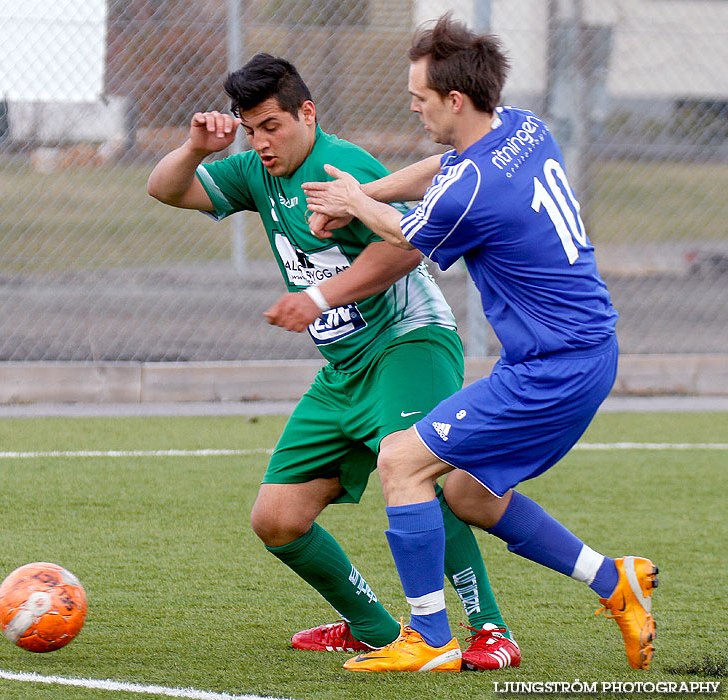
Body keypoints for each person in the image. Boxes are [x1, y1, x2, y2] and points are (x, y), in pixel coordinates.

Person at [303, 15, 658, 673]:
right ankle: (614, 582)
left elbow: (408, 235)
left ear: (456, 99)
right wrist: (358, 195)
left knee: (401, 462)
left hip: (554, 368)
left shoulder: (475, 192)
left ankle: (429, 639)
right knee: (466, 492)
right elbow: (446, 165)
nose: (413, 105)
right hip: (575, 354)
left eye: (420, 97)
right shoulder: (521, 127)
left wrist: (355, 201)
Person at [147, 52, 520, 671]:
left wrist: (316, 297)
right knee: (277, 519)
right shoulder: (255, 173)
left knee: (418, 474)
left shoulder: (339, 167)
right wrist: (193, 149)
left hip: (410, 343)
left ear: (307, 113)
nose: (262, 142)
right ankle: (374, 628)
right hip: (344, 369)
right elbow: (165, 189)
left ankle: (489, 630)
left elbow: (407, 249)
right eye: (251, 129)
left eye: (272, 126)